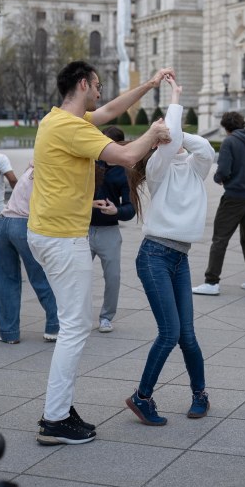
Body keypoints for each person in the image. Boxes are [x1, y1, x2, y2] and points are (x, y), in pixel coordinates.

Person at [30, 60, 173, 448]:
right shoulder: (71, 127)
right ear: (82, 84)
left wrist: (149, 84)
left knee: (72, 325)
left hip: (48, 232)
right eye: (96, 85)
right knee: (75, 328)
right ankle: (55, 419)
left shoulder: (57, 119)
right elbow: (126, 158)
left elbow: (110, 111)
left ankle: (60, 408)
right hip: (63, 238)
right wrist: (153, 133)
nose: (100, 92)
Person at [125, 77, 215, 425]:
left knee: (187, 336)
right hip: (154, 257)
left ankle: (200, 395)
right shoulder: (157, 169)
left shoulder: (194, 169)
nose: (173, 143)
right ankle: (142, 396)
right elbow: (169, 145)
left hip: (179, 258)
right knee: (170, 333)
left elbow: (204, 149)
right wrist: (173, 104)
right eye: (166, 140)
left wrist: (172, 130)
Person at [192, 112, 245, 295]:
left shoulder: (230, 142)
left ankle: (212, 282)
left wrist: (218, 178)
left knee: (220, 239)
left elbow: (224, 169)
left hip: (234, 196)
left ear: (225, 127)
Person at [0, 162, 59, 345]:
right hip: (24, 223)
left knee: (6, 280)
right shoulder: (53, 169)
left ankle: (8, 332)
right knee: (41, 276)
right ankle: (55, 326)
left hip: (4, 221)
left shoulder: (33, 165)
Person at [90, 125, 135, 333]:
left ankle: (106, 317)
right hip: (82, 228)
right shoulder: (90, 163)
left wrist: (116, 211)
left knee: (113, 277)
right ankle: (76, 317)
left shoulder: (124, 172)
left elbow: (130, 209)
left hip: (109, 231)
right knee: (77, 276)